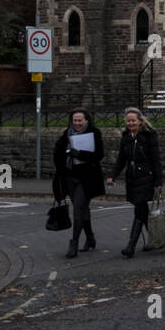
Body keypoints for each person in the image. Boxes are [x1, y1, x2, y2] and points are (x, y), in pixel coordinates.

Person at [107, 107, 163, 258]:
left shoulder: (149, 136)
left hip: (147, 178)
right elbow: (121, 160)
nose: (131, 123)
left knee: (139, 211)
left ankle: (130, 246)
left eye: (133, 120)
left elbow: (156, 159)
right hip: (132, 179)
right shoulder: (126, 137)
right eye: (128, 121)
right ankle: (156, 239)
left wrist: (158, 181)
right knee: (142, 211)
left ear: (140, 121)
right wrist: (112, 175)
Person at [53, 109, 106, 258]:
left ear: (86, 121)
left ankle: (73, 243)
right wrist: (64, 152)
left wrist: (78, 153)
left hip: (87, 178)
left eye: (80, 120)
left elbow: (99, 155)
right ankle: (90, 238)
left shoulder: (94, 133)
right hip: (70, 177)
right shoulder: (67, 133)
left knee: (78, 208)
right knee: (83, 209)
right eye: (74, 120)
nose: (77, 123)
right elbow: (57, 152)